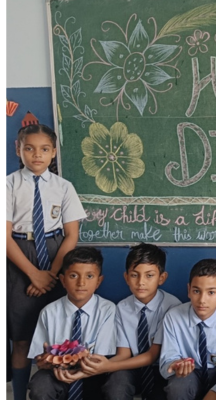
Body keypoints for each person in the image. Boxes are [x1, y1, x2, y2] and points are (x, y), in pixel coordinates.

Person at [6, 122, 87, 400]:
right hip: (19, 256)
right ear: (18, 149)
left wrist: (51, 274)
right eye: (29, 149)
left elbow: (71, 235)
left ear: (53, 152)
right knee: (21, 338)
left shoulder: (64, 187)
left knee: (58, 336)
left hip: (56, 256)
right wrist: (33, 274)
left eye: (44, 149)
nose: (37, 155)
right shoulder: (8, 185)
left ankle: (57, 390)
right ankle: (18, 395)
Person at [79, 243, 181, 400]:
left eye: (149, 275)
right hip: (131, 366)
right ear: (126, 277)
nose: (141, 282)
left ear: (161, 278)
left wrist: (108, 366)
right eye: (134, 275)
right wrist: (100, 365)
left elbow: (152, 356)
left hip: (160, 368)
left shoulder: (172, 307)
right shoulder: (122, 308)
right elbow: (124, 354)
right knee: (116, 383)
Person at [27, 247, 117, 400]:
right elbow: (40, 359)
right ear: (63, 280)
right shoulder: (49, 312)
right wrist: (45, 361)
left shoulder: (107, 310)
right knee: (40, 384)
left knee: (112, 384)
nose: (81, 283)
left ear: (98, 281)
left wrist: (79, 367)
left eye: (89, 276)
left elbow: (101, 356)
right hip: (58, 373)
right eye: (73, 276)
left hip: (93, 373)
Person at [160, 259, 216, 400]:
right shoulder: (173, 317)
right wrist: (176, 365)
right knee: (178, 387)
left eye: (211, 292)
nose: (202, 300)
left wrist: (214, 393)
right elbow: (167, 360)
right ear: (189, 290)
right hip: (189, 374)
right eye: (196, 291)